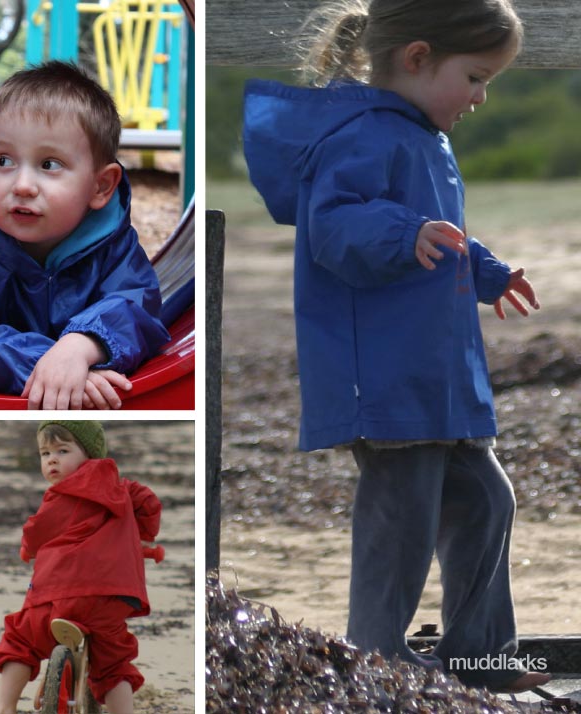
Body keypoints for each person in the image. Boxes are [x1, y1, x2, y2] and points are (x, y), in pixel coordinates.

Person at [243, 0, 548, 694]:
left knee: (487, 501)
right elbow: (334, 224)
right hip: (383, 380)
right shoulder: (362, 133)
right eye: (475, 76)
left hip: (435, 376)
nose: (481, 96)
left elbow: (439, 233)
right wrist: (400, 236)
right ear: (417, 58)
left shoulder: (418, 133)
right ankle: (375, 662)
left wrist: (490, 271)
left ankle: (480, 659)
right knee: (400, 524)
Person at [0, 62, 170, 410]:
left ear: (100, 186)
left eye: (49, 165)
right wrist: (50, 364)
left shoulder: (112, 245)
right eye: (4, 160)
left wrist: (82, 345)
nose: (22, 185)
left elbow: (137, 306)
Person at [0, 420, 161, 714]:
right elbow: (149, 504)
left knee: (21, 639)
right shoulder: (124, 489)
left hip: (66, 592)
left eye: (63, 450)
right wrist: (142, 535)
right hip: (114, 597)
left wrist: (27, 548)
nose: (52, 459)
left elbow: (39, 529)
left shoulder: (66, 492)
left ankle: (6, 708)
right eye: (45, 454)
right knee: (114, 664)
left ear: (91, 455)